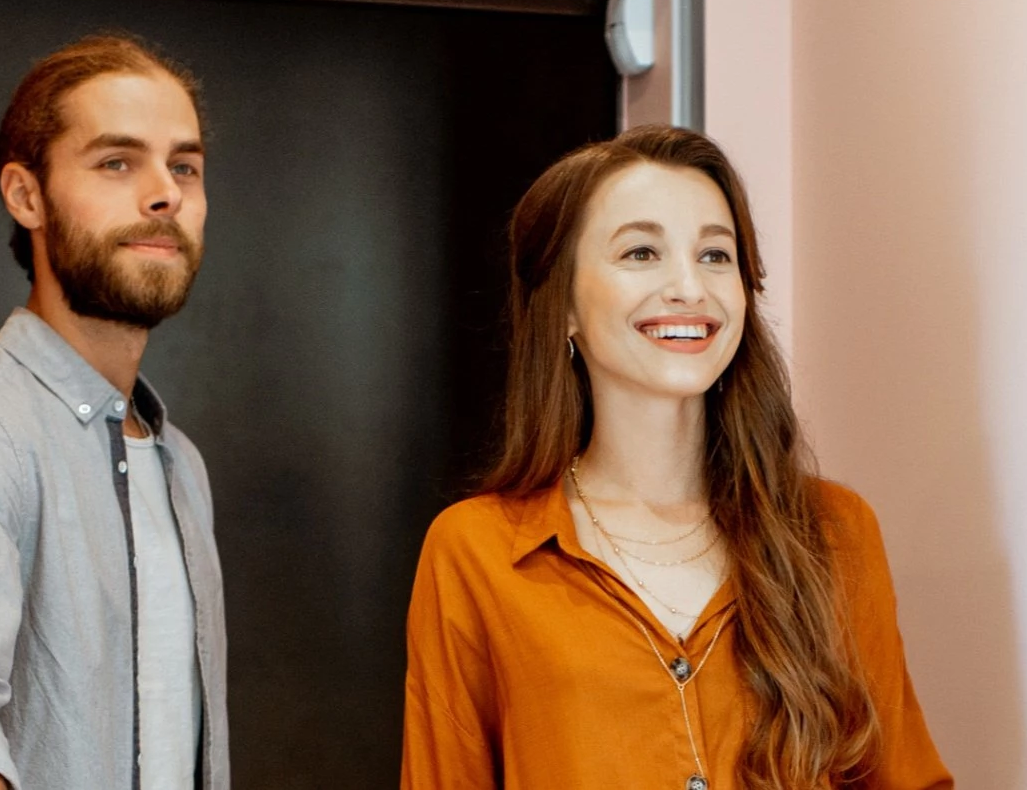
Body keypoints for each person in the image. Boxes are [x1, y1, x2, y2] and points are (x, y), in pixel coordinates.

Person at [401, 126, 952, 790]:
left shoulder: (835, 532)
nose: (690, 287)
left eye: (715, 255)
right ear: (564, 303)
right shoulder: (475, 552)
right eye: (641, 252)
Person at [0, 33, 226, 790]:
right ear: (26, 196)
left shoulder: (179, 464)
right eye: (117, 163)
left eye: (183, 167)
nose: (165, 194)